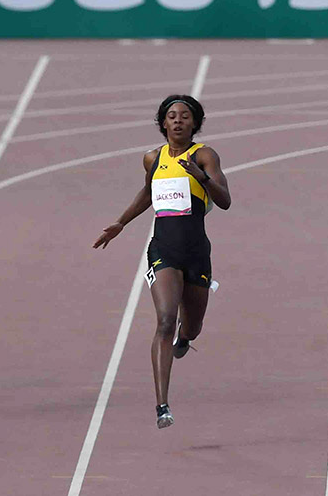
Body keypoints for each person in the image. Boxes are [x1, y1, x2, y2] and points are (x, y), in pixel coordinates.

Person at [93, 94, 231, 428]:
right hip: (163, 250)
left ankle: (187, 339)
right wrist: (121, 223)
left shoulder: (205, 155)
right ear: (163, 123)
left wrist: (201, 176)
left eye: (185, 116)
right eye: (172, 116)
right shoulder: (152, 159)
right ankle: (162, 405)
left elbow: (225, 200)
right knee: (165, 319)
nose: (178, 121)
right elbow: (147, 192)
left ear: (194, 123)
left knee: (192, 326)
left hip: (197, 251)